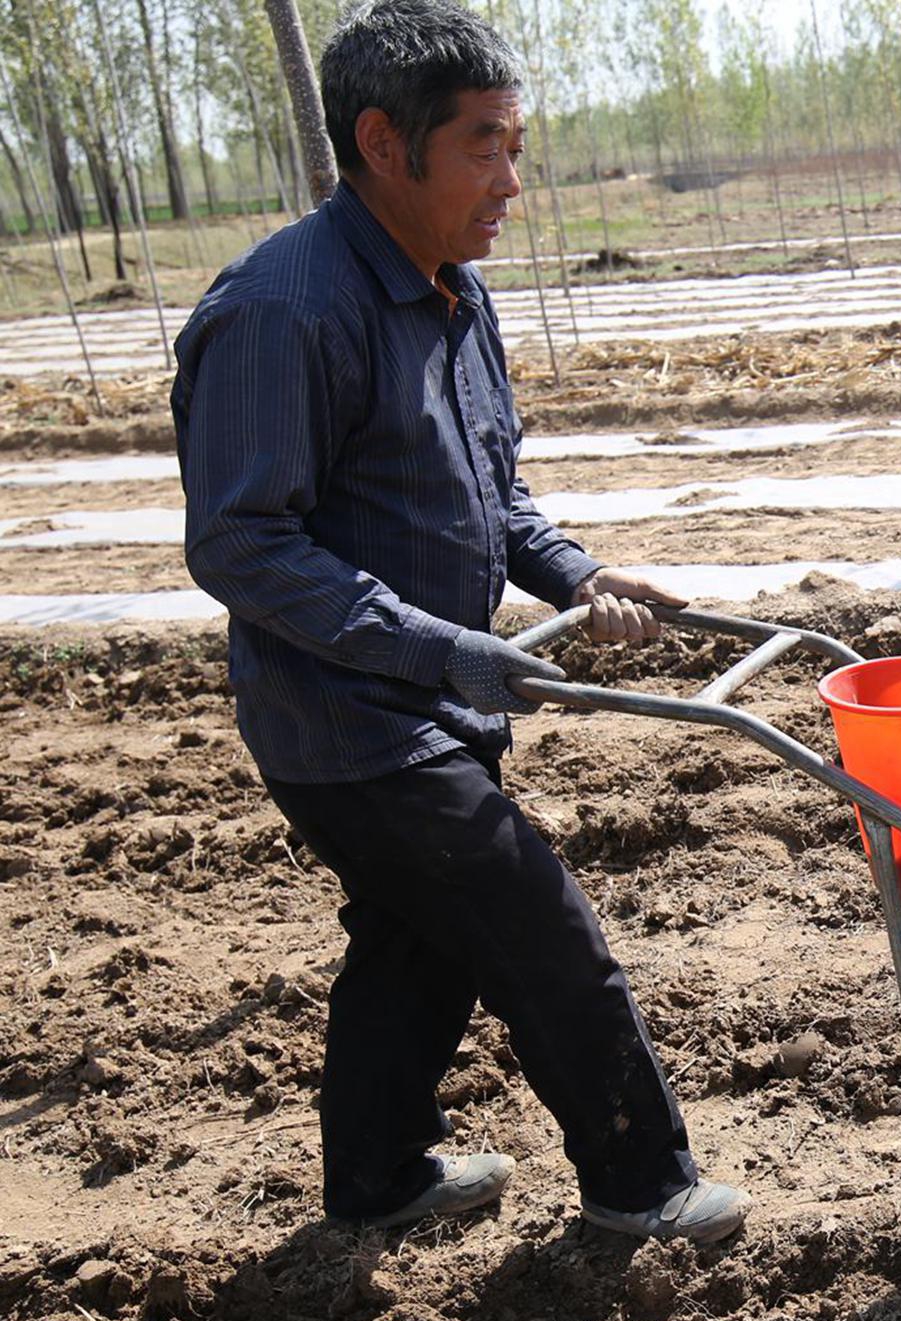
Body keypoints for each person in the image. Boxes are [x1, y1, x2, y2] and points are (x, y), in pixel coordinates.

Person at [173, 0, 744, 1243]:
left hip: (433, 695)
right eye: (483, 144)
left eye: (513, 142)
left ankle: (378, 1180)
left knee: (413, 945)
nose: (511, 181)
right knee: (539, 930)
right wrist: (445, 652)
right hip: (350, 723)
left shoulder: (453, 293)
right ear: (385, 144)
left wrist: (576, 577)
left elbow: (494, 494)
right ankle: (642, 1187)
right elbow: (239, 541)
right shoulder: (285, 310)